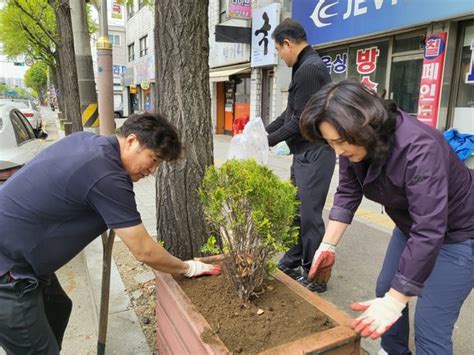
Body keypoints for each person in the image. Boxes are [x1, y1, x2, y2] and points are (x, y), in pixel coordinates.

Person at [0, 113, 221, 354]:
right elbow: (144, 250)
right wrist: (187, 268)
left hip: (24, 255)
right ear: (131, 141)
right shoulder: (107, 175)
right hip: (9, 272)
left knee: (58, 307)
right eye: (153, 159)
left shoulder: (88, 143)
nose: (152, 170)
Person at [300, 79, 473, 354]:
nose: (338, 151)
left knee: (430, 322)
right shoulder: (353, 143)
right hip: (411, 225)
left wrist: (397, 300)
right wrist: (328, 245)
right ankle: (394, 351)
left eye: (340, 142)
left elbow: (429, 229)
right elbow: (348, 190)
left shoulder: (419, 148)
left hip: (460, 234)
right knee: (386, 288)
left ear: (365, 126)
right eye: (330, 143)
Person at [265, 18, 336, 292]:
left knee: (309, 215)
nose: (279, 55)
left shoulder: (309, 69)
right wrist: (261, 131)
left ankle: (314, 274)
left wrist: (266, 141)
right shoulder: (305, 67)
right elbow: (290, 114)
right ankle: (295, 258)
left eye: (278, 50)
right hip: (304, 153)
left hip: (316, 153)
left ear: (287, 43)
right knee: (296, 210)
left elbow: (298, 122)